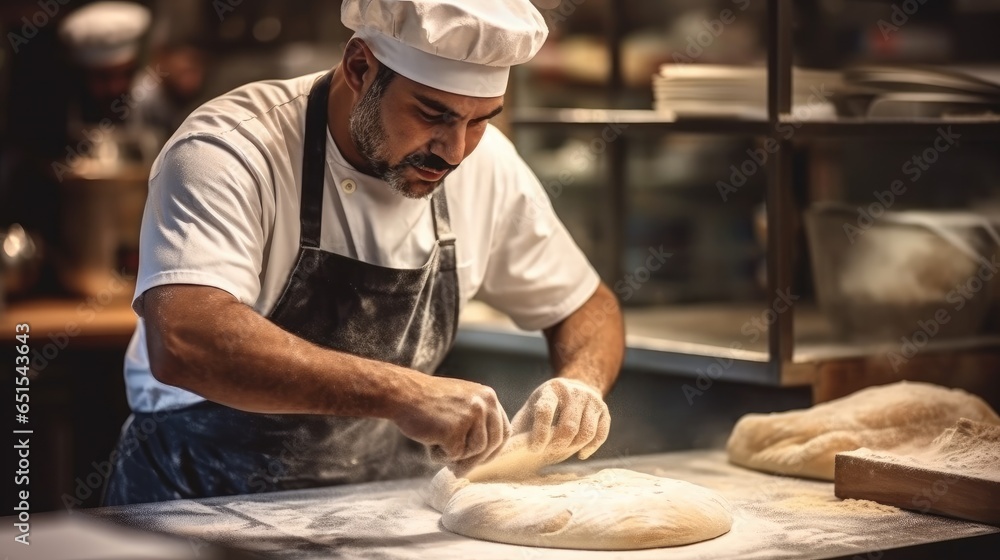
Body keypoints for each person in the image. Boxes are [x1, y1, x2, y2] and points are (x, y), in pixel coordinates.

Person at [104, 0, 625, 506]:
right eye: (432, 113)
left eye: (481, 119)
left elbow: (587, 306)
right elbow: (187, 339)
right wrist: (403, 394)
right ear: (359, 67)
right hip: (194, 503)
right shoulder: (230, 149)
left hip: (364, 510)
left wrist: (581, 383)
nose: (454, 150)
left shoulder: (488, 165)